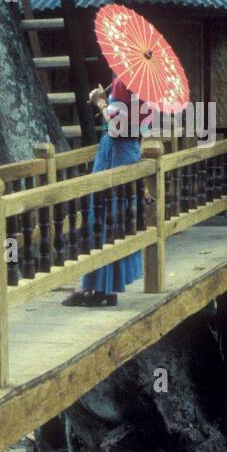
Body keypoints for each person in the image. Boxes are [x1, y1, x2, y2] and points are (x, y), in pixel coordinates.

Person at [61, 76, 150, 307]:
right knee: (116, 219)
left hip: (115, 152)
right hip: (130, 150)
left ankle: (91, 286)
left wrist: (101, 102)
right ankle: (106, 289)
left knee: (100, 217)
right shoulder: (147, 86)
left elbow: (117, 126)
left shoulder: (125, 81)